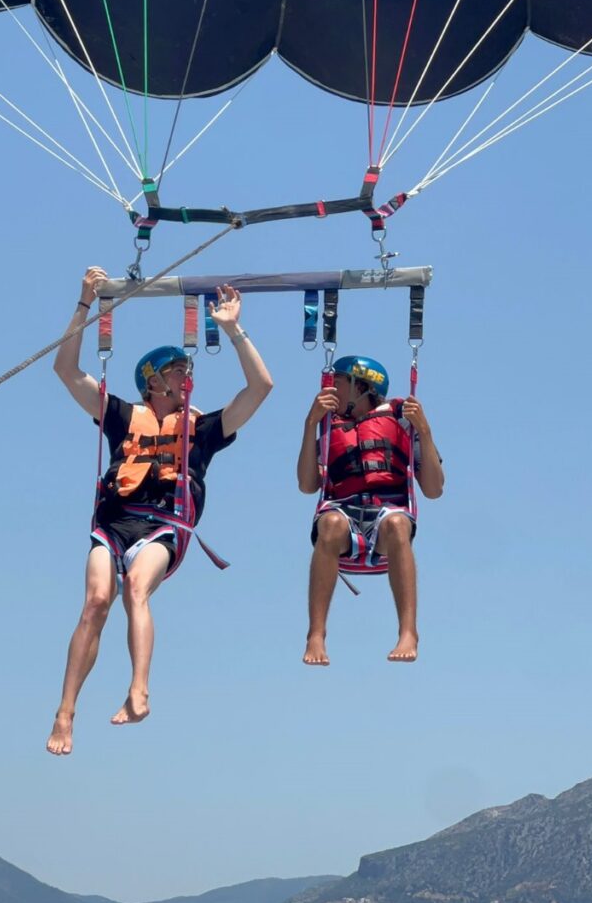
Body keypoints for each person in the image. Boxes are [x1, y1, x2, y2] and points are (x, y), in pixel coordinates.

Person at [47, 267, 272, 752]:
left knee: (135, 588)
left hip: (163, 527)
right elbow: (66, 370)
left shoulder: (203, 431)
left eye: (187, 371)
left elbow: (261, 388)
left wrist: (234, 330)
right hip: (113, 524)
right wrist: (84, 304)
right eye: (178, 371)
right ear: (153, 381)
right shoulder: (123, 417)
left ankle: (139, 691)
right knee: (95, 602)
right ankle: (65, 712)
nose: (187, 377)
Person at [297, 354, 443, 666]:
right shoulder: (329, 425)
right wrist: (310, 424)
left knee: (397, 524)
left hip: (387, 513)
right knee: (329, 523)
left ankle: (408, 632)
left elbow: (433, 489)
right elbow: (308, 485)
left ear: (361, 387)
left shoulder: (402, 420)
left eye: (336, 383)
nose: (329, 391)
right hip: (343, 513)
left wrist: (425, 431)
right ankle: (316, 634)